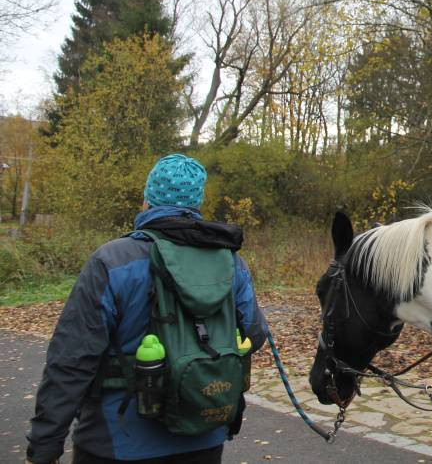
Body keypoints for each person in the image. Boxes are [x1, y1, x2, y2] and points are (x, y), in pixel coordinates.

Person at [26, 154, 268, 463]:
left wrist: (45, 444)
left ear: (147, 200)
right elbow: (255, 334)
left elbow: (71, 359)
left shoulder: (112, 260)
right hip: (203, 435)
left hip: (116, 441)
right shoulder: (230, 262)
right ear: (197, 203)